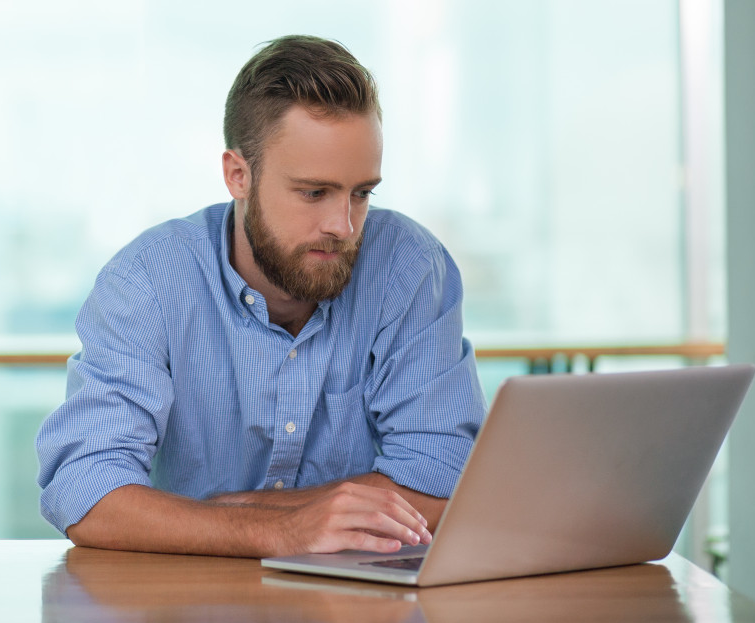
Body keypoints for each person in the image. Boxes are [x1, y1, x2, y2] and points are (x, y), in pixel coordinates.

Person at [36, 35, 486, 558]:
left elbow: (444, 476)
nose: (343, 226)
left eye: (361, 193)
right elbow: (86, 492)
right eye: (314, 192)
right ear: (238, 175)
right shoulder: (148, 281)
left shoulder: (407, 268)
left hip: (357, 612)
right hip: (190, 606)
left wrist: (238, 510)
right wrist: (278, 533)